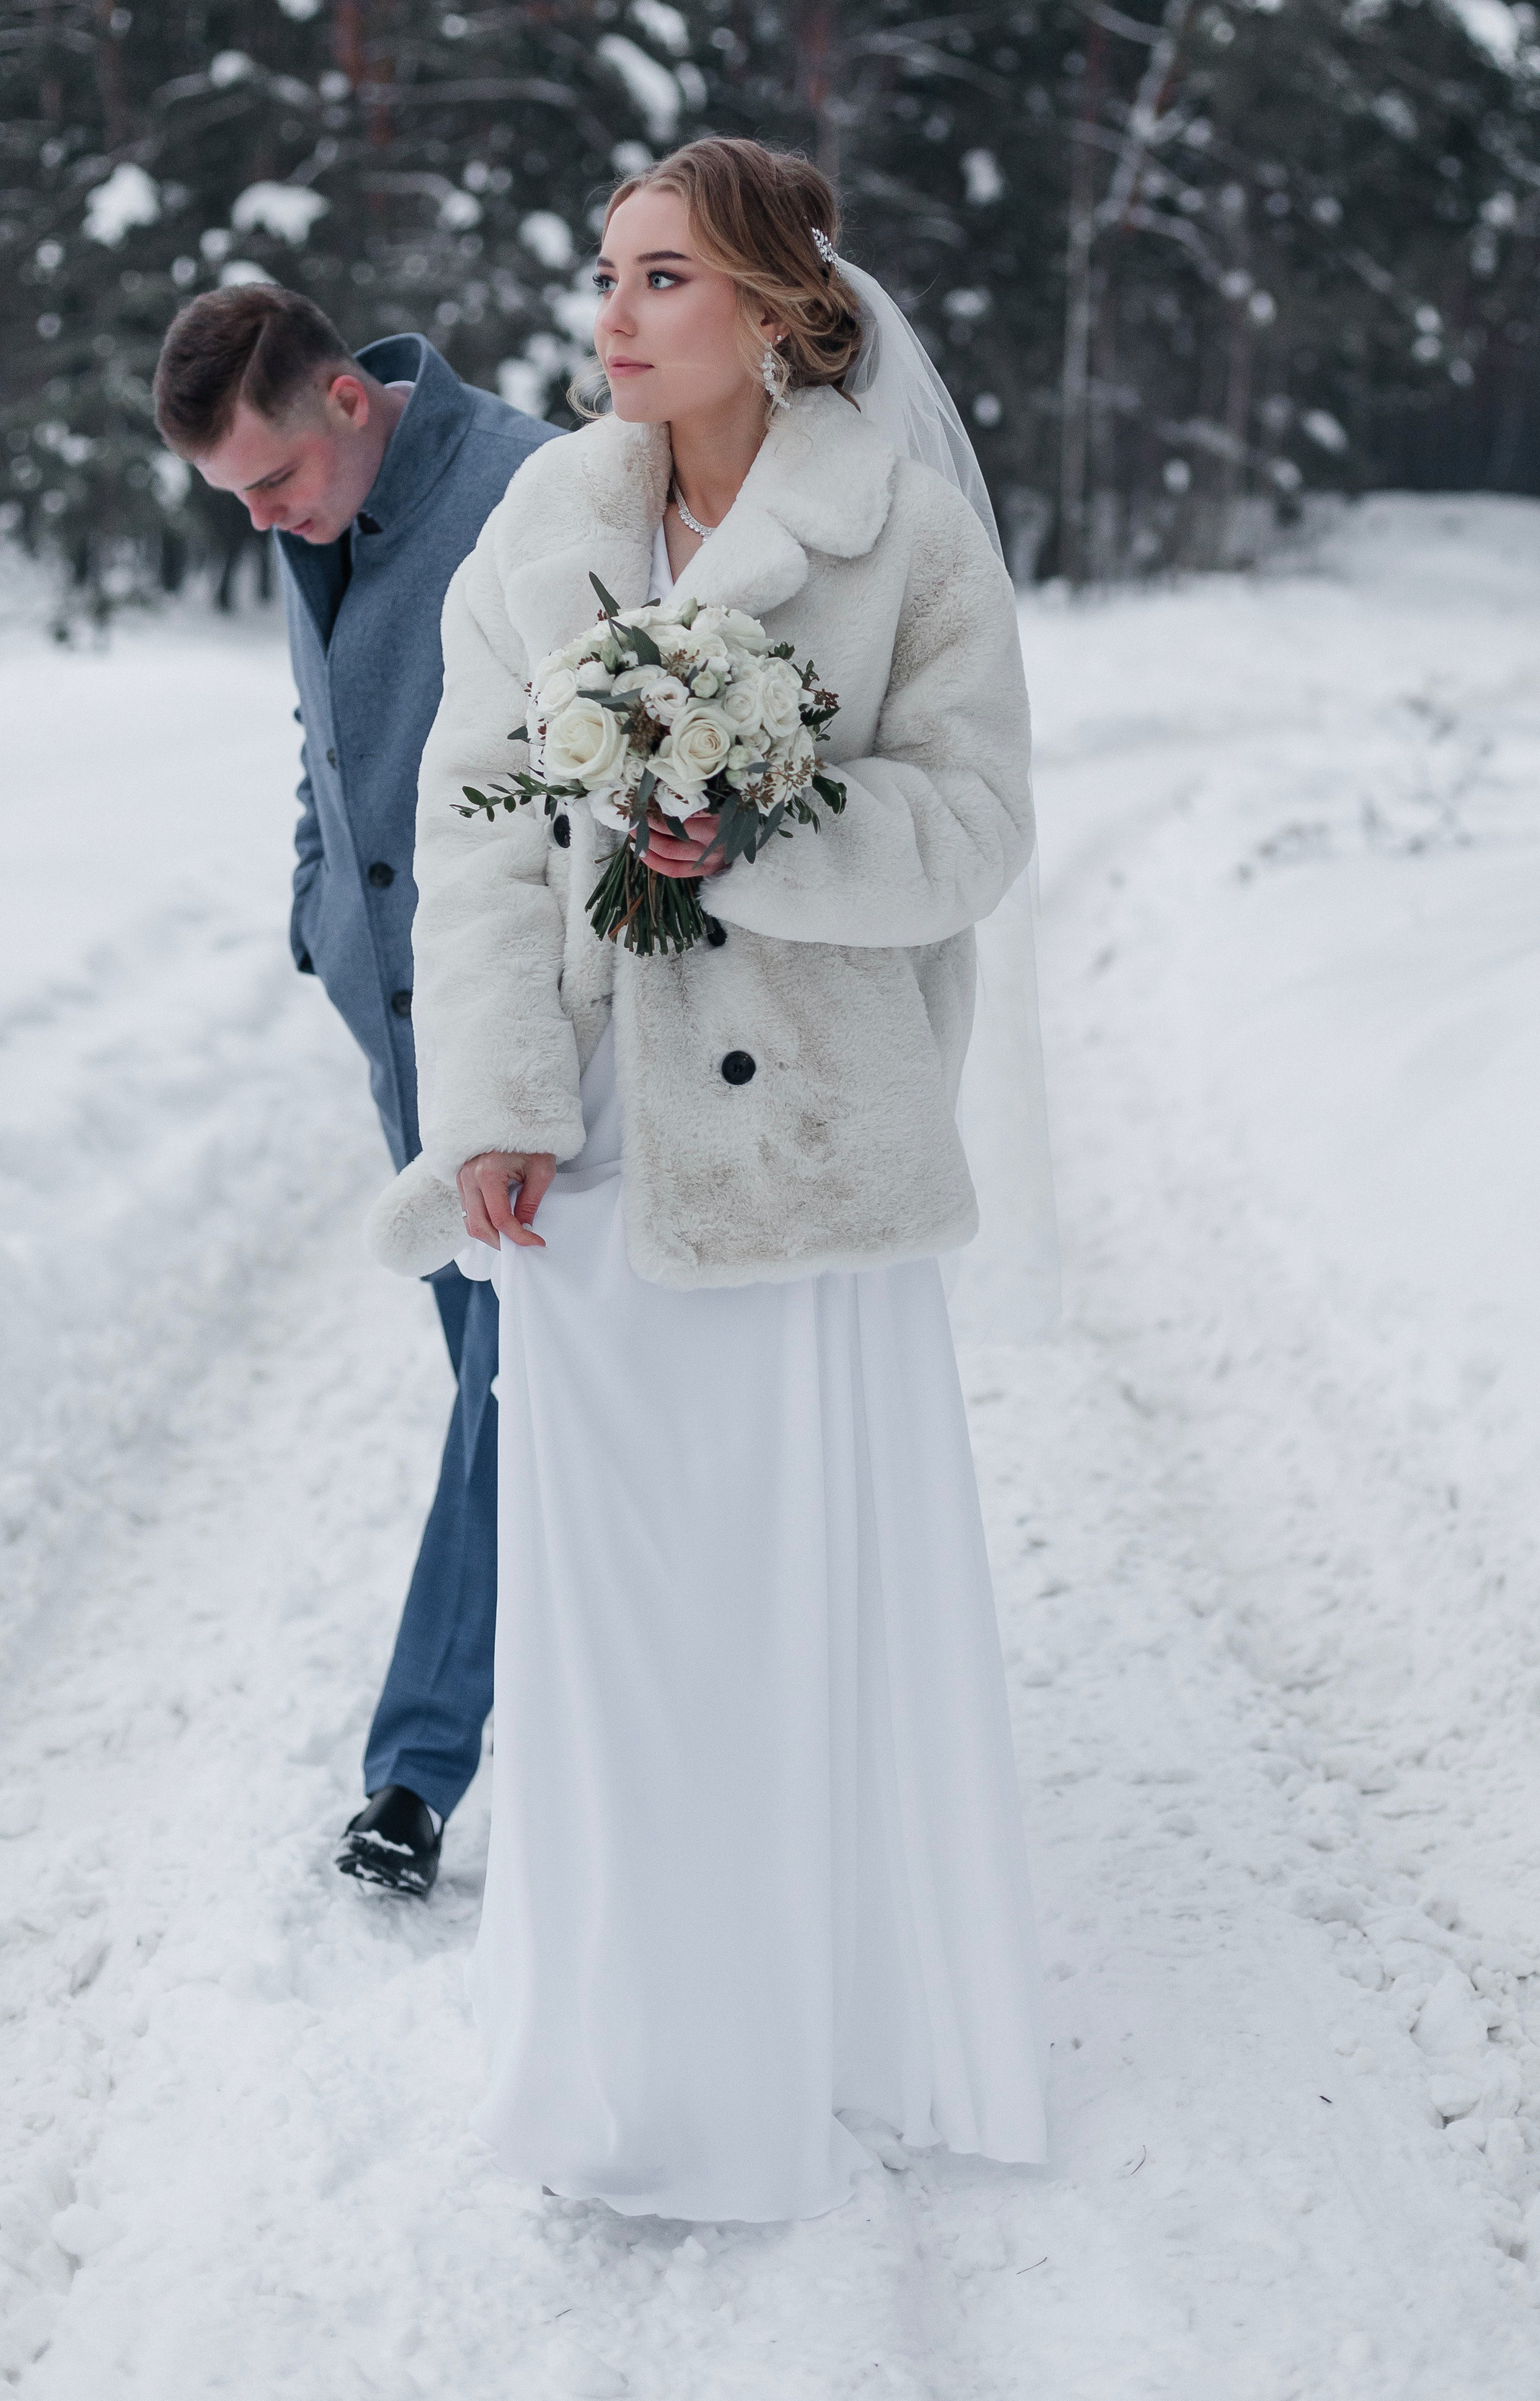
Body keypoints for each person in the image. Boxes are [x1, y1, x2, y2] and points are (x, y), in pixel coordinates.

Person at [370, 137, 1047, 2221]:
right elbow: (482, 836)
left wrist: (763, 829)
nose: (610, 315)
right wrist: (490, 1107)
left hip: (811, 1166)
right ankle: (628, 2063)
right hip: (590, 1163)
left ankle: (824, 2027)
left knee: (788, 1605)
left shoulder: (902, 537)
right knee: (622, 1625)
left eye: (660, 279)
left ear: (774, 308)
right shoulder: (538, 529)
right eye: (605, 274)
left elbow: (974, 830)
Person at [152, 284, 555, 1895]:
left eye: (267, 484)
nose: (260, 520)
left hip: (523, 1045)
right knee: (516, 1402)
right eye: (236, 499)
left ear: (344, 397)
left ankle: (418, 1771)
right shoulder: (300, 496)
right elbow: (328, 735)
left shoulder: (528, 488)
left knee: (516, 1397)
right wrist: (320, 904)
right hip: (396, 1043)